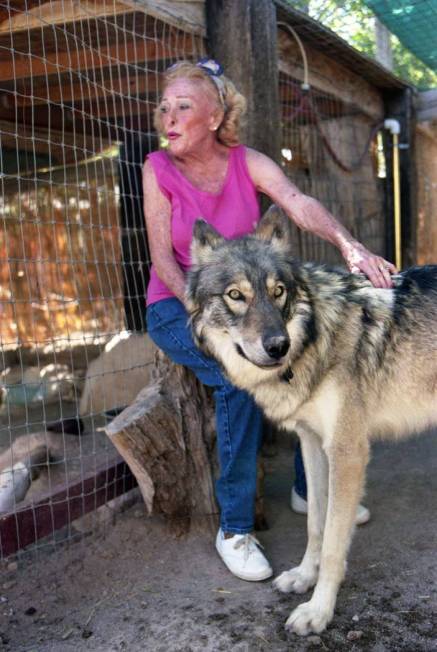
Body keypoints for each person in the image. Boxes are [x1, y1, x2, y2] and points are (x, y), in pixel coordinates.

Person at [143, 59, 396, 582]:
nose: (168, 117)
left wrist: (350, 248)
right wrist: (203, 315)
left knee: (302, 352)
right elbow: (163, 258)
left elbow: (298, 203)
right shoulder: (157, 169)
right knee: (240, 381)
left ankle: (310, 489)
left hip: (250, 303)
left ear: (214, 117)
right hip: (179, 305)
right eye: (164, 107)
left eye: (183, 107)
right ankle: (234, 528)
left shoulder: (246, 161)